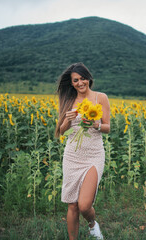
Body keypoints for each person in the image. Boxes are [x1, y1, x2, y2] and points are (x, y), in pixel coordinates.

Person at [55, 62, 110, 240]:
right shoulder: (69, 100)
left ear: (89, 79)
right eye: (76, 80)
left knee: (84, 205)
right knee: (72, 205)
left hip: (94, 154)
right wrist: (68, 120)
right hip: (72, 155)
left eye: (83, 78)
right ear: (71, 83)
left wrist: (96, 124)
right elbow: (61, 131)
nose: (80, 83)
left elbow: (107, 127)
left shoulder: (100, 98)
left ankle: (93, 224)